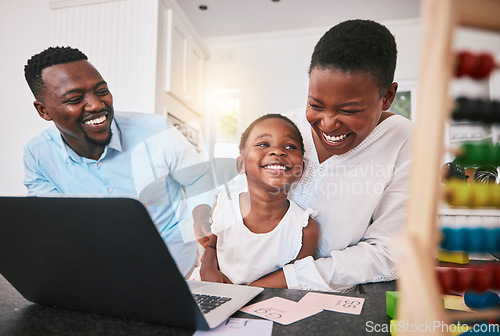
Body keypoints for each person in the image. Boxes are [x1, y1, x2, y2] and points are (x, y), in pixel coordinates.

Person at [195, 19, 413, 292]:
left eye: (349, 110)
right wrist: (209, 246)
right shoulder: (284, 127)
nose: (328, 123)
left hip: (321, 297)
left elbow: (388, 252)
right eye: (315, 104)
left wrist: (274, 284)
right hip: (236, 285)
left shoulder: (406, 141)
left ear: (388, 97)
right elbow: (238, 198)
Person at [23, 46, 215, 277]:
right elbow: (54, 218)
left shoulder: (157, 131)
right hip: (98, 267)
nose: (96, 105)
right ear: (44, 111)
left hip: (172, 262)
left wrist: (201, 216)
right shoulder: (38, 155)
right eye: (75, 98)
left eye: (101, 90)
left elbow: (198, 178)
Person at [199, 114, 319, 286]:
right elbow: (212, 247)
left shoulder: (305, 228)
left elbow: (296, 279)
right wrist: (207, 269)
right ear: (241, 165)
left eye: (290, 146)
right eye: (263, 144)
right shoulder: (224, 205)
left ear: (301, 169)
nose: (278, 151)